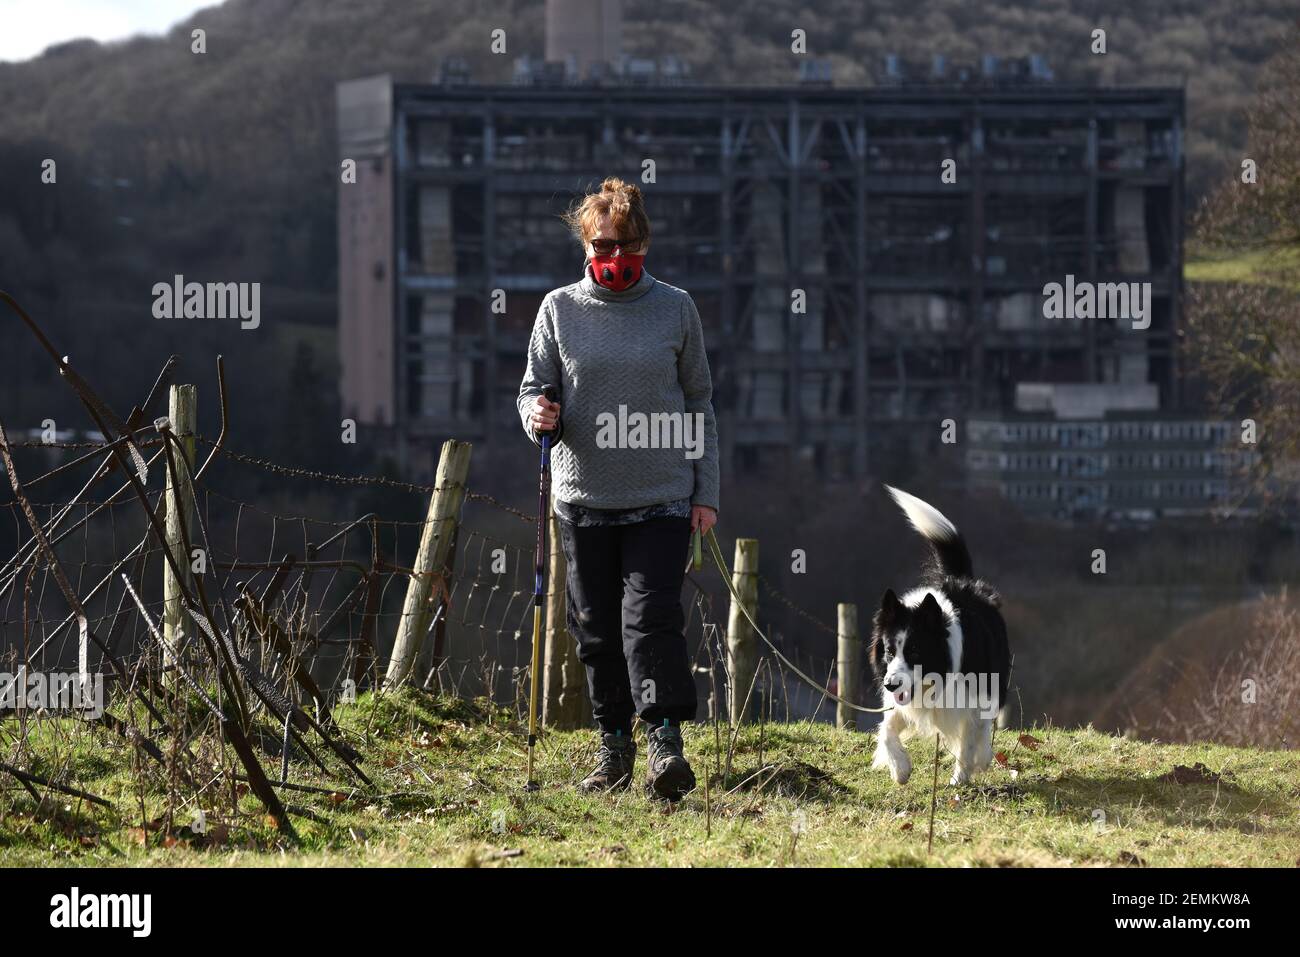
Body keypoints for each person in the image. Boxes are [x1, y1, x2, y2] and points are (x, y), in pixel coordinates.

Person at [517, 177, 719, 801]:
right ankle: (614, 747)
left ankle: (664, 744)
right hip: (583, 501)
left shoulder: (676, 308)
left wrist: (704, 490)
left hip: (661, 496)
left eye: (625, 246)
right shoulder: (558, 309)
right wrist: (537, 416)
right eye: (602, 246)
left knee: (652, 619)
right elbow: (533, 388)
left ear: (645, 244)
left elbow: (699, 401)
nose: (613, 258)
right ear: (585, 246)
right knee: (597, 628)